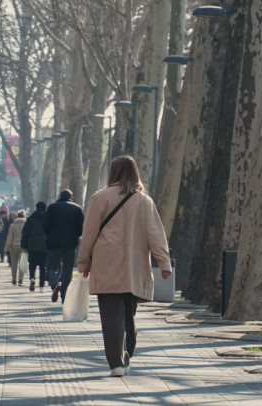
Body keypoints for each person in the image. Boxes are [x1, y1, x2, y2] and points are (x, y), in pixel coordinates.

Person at [76, 155, 171, 378]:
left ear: (113, 173)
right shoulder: (144, 201)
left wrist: (84, 263)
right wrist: (164, 263)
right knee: (129, 313)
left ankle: (117, 362)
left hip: (107, 264)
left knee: (111, 316)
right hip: (135, 267)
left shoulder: (100, 197)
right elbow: (156, 235)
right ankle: (128, 350)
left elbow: (88, 234)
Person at [44, 188, 84, 303]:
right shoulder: (77, 208)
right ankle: (64, 294)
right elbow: (81, 227)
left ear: (60, 196)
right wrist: (75, 235)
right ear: (71, 197)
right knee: (68, 269)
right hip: (70, 243)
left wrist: (50, 235)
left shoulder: (52, 207)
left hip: (54, 242)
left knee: (51, 266)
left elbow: (45, 225)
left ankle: (55, 283)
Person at [21, 201, 49, 292]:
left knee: (32, 265)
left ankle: (32, 278)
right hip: (45, 247)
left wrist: (24, 245)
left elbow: (25, 233)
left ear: (36, 208)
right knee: (43, 266)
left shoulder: (31, 218)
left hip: (32, 246)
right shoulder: (48, 219)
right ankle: (41, 285)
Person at [4, 210, 27, 286]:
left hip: (13, 246)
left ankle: (14, 279)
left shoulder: (13, 225)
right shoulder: (26, 225)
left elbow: (9, 238)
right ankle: (20, 280)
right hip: (23, 247)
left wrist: (7, 249)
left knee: (14, 263)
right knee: (22, 263)